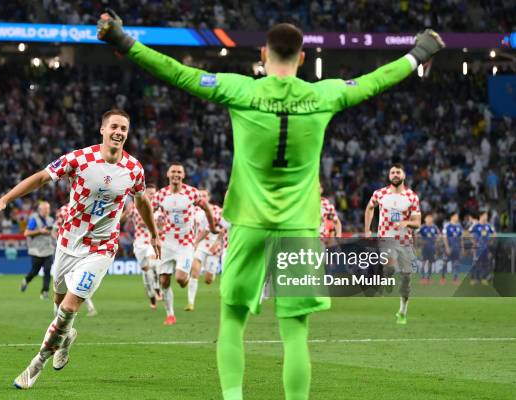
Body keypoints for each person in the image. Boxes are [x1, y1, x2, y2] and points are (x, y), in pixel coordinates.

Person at [97, 13, 443, 399]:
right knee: (295, 330)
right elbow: (375, 80)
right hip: (298, 227)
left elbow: (176, 72)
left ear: (263, 53)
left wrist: (123, 40)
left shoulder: (239, 89)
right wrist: (418, 53)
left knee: (233, 319)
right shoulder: (324, 94)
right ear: (302, 58)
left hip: (248, 223)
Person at [0, 109, 160, 389]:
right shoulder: (79, 159)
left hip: (101, 248)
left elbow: (141, 203)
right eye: (114, 126)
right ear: (102, 130)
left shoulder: (134, 169)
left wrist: (154, 234)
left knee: (68, 309)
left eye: (124, 128)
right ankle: (65, 340)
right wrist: (5, 199)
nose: (119, 132)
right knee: (58, 304)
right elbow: (41, 177)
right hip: (68, 244)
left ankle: (35, 365)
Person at [153, 163, 217, 325]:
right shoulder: (160, 195)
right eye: (173, 171)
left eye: (179, 172)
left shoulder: (192, 193)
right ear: (168, 174)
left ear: (183, 175)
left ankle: (186, 278)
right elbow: (148, 212)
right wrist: (154, 234)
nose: (176, 174)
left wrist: (212, 226)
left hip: (185, 243)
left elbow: (208, 209)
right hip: (167, 241)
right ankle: (170, 315)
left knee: (181, 279)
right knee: (164, 281)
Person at [365, 164, 421, 325]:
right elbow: (369, 208)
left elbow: (417, 222)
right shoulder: (380, 193)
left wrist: (406, 222)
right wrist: (367, 229)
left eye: (398, 172)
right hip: (386, 238)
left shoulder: (412, 197)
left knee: (406, 280)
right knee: (389, 265)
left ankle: (402, 311)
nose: (395, 174)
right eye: (392, 172)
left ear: (404, 175)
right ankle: (387, 275)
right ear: (389, 175)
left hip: (405, 242)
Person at [55, 203, 98, 317]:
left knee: (77, 282)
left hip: (81, 251)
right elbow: (58, 228)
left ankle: (58, 315)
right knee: (64, 285)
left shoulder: (88, 205)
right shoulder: (64, 210)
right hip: (65, 250)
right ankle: (58, 314)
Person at [187, 189, 226, 311]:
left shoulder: (217, 211)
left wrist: (218, 241)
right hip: (200, 245)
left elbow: (223, 228)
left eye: (204, 195)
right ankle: (190, 303)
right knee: (194, 273)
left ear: (208, 197)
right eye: (200, 196)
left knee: (209, 280)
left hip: (214, 246)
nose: (202, 198)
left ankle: (209, 272)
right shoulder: (193, 212)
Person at [131, 184, 163, 309]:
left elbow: (162, 227)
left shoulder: (159, 212)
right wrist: (126, 214)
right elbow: (122, 220)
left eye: (154, 194)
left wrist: (158, 227)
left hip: (151, 242)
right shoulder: (135, 208)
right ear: (145, 194)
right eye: (150, 193)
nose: (152, 196)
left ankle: (157, 289)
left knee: (154, 264)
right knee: (146, 273)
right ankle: (152, 296)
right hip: (139, 244)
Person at [21, 201, 55, 299]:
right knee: (35, 271)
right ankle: (26, 280)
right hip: (36, 251)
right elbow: (26, 233)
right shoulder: (34, 219)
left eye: (48, 209)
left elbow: (52, 233)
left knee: (48, 271)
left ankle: (44, 292)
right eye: (45, 209)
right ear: (40, 210)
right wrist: (39, 231)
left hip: (48, 250)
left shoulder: (50, 220)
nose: (47, 211)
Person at [468, 211, 496, 285]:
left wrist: (491, 241)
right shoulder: (475, 225)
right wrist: (473, 241)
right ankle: (474, 279)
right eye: (485, 215)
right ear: (481, 216)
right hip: (477, 248)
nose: (486, 217)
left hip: (486, 248)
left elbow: (494, 234)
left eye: (487, 215)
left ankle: (483, 278)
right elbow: (468, 233)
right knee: (476, 263)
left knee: (485, 263)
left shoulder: (489, 225)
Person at [417, 214, 440, 284]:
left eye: (430, 219)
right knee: (423, 262)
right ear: (425, 220)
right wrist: (420, 242)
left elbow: (439, 235)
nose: (429, 220)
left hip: (432, 248)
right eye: (428, 219)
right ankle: (423, 277)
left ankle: (429, 277)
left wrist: (436, 242)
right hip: (424, 248)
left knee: (430, 263)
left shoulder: (435, 227)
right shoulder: (422, 227)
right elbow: (416, 235)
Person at [442, 212, 464, 284]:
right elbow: (444, 238)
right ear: (452, 217)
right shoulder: (447, 226)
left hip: (456, 248)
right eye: (456, 216)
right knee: (445, 263)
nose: (457, 217)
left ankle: (455, 279)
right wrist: (447, 247)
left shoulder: (459, 226)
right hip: (449, 247)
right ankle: (443, 278)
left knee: (456, 263)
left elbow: (461, 238)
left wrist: (462, 248)